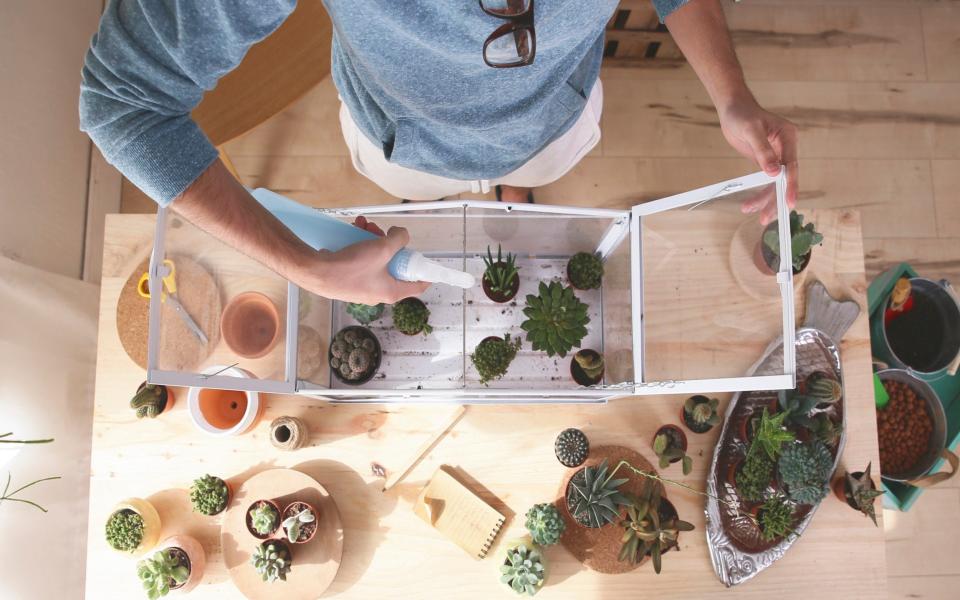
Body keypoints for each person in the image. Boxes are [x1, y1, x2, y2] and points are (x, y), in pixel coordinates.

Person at [80, 0, 798, 305]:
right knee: (411, 198)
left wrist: (730, 94)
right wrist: (303, 266)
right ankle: (429, 201)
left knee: (530, 177)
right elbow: (121, 102)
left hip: (555, 123)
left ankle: (513, 191)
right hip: (399, 138)